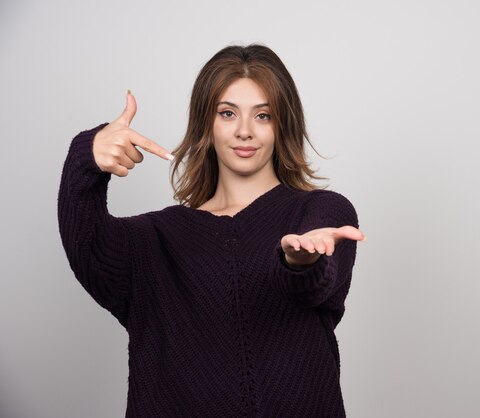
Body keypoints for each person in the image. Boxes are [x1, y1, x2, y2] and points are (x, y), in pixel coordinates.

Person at [57, 43, 366, 417]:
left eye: (263, 115)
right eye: (227, 113)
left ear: (284, 125)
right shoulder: (154, 240)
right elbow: (87, 248)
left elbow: (317, 283)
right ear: (207, 123)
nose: (245, 131)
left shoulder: (321, 212)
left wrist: (301, 261)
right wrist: (86, 157)